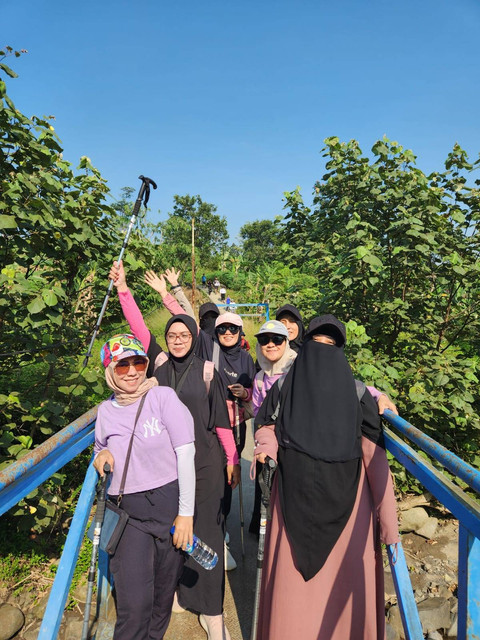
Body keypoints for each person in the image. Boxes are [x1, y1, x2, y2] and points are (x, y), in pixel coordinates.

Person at [109, 262, 239, 640]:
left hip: (206, 464)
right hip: (167, 469)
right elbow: (137, 328)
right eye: (172, 334)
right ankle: (181, 594)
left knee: (209, 533)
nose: (178, 339)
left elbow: (221, 423)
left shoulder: (207, 372)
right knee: (175, 532)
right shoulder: (158, 366)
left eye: (184, 334)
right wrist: (124, 289)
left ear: (194, 337)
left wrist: (232, 460)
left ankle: (214, 614)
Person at [253, 315, 400, 640]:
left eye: (331, 348)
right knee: (292, 605)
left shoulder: (357, 394)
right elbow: (265, 425)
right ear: (304, 348)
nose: (323, 355)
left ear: (341, 353)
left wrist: (389, 527)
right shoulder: (284, 386)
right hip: (291, 500)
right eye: (316, 346)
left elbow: (375, 459)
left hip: (349, 512)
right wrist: (267, 447)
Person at [93, 334, 196, 640]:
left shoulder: (161, 397)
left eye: (139, 362)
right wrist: (102, 456)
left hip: (168, 506)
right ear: (110, 371)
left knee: (163, 597)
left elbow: (186, 452)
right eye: (122, 365)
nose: (134, 371)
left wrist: (186, 514)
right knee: (134, 603)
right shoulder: (105, 411)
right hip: (128, 515)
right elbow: (100, 448)